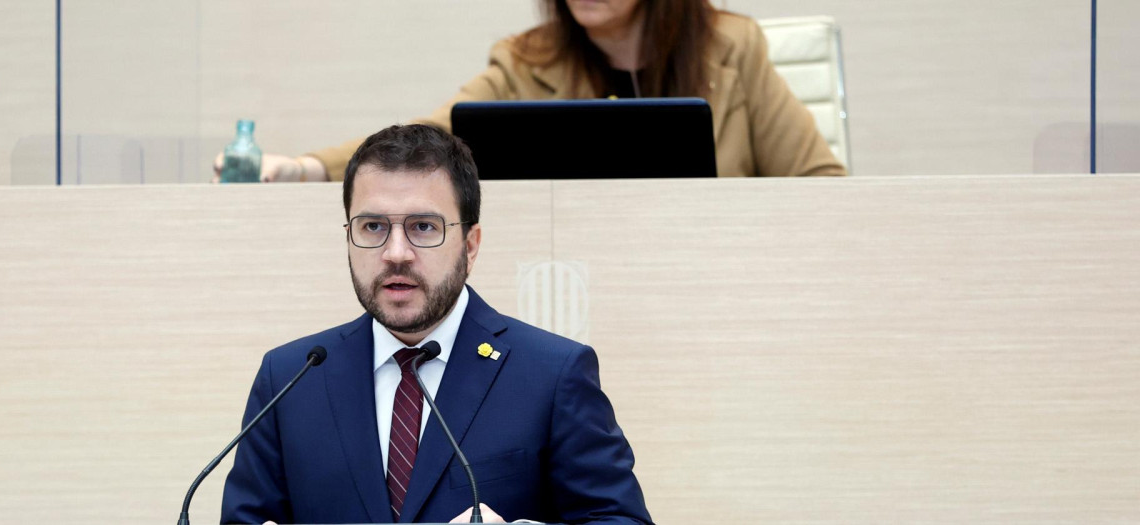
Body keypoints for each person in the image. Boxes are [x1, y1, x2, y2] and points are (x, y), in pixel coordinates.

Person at [221, 124, 652, 524]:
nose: (395, 253)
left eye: (423, 227)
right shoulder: (291, 377)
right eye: (372, 226)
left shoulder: (551, 373)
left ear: (471, 245)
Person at [216, 0, 845, 182]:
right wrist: (305, 169)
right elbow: (428, 139)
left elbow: (821, 187)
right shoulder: (525, 61)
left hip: (714, 288)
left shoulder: (734, 50)